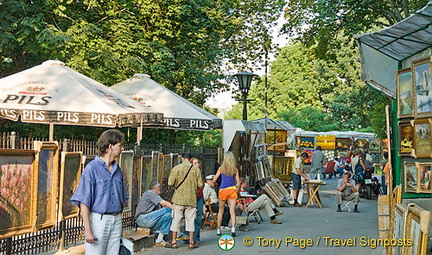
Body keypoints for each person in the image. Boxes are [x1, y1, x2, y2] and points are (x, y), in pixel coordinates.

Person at [70, 129, 128, 255]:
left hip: (116, 218)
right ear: (110, 146)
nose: (122, 148)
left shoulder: (118, 170)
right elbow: (84, 201)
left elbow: (121, 198)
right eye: (120, 145)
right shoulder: (92, 169)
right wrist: (88, 229)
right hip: (99, 220)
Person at [167, 152, 203, 249]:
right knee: (191, 220)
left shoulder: (176, 168)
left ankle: (174, 242)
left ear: (182, 158)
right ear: (190, 158)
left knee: (176, 220)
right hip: (191, 199)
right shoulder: (196, 169)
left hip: (178, 199)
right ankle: (191, 242)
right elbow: (200, 184)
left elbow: (170, 182)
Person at [135, 180, 174, 246]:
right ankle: (177, 233)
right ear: (156, 188)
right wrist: (175, 209)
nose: (159, 191)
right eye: (159, 188)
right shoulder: (150, 193)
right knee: (167, 209)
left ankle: (159, 239)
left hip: (148, 220)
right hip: (142, 218)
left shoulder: (151, 194)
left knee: (168, 216)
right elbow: (164, 203)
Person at [212, 151, 240, 236]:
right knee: (232, 210)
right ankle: (233, 229)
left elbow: (214, 180)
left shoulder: (221, 169)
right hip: (232, 190)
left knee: (221, 210)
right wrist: (237, 189)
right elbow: (238, 182)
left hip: (223, 190)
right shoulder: (235, 169)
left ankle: (218, 229)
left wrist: (215, 183)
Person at [183, 157, 204, 245]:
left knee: (198, 218)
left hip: (199, 198)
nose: (197, 164)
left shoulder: (201, 175)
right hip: (190, 198)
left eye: (198, 163)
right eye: (194, 163)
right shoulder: (189, 175)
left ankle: (196, 238)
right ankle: (187, 236)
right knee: (189, 217)